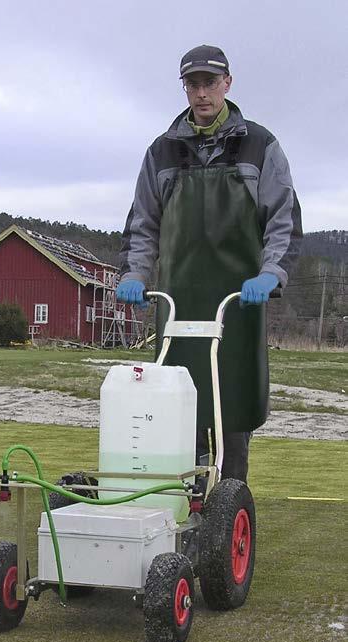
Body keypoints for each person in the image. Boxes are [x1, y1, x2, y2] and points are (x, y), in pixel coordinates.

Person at [116, 44, 302, 483]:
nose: (202, 93)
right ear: (185, 88)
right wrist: (134, 274)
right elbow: (143, 224)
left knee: (231, 417)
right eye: (193, 84)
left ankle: (230, 510)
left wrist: (270, 273)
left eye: (210, 83)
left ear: (227, 84)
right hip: (177, 306)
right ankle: (181, 517)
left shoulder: (259, 145)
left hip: (237, 305)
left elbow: (284, 220)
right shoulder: (161, 152)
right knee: (177, 415)